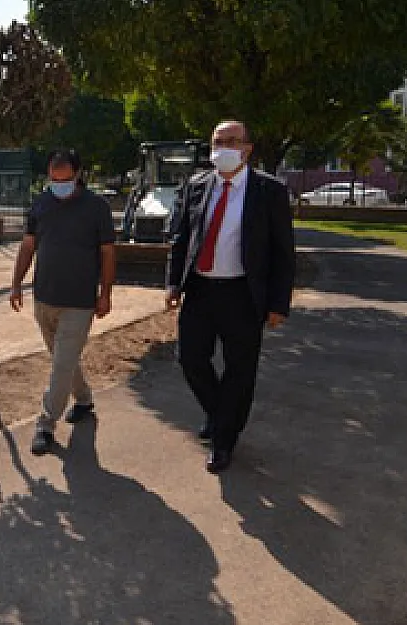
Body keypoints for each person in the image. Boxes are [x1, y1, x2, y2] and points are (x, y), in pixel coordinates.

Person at [165, 120, 295, 473]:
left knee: (240, 369)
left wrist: (278, 304)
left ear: (247, 148)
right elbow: (181, 239)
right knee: (190, 359)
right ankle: (221, 414)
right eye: (218, 141)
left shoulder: (269, 191)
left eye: (232, 142)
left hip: (244, 294)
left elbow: (284, 253)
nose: (223, 148)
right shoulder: (196, 186)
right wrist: (173, 283)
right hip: (201, 290)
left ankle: (224, 441)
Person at [10, 149, 117, 456]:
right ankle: (83, 399)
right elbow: (29, 244)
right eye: (53, 179)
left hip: (79, 301)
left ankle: (45, 425)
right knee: (64, 360)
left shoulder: (97, 208)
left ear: (78, 175)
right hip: (44, 297)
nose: (58, 185)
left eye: (65, 179)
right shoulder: (41, 203)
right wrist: (16, 283)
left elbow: (108, 252)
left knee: (60, 365)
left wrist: (105, 293)